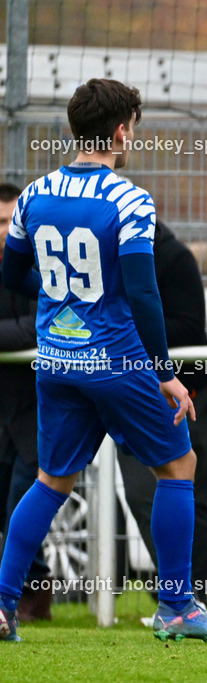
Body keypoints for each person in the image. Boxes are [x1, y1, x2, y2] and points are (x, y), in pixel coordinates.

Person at [0, 78, 207, 643]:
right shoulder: (129, 200)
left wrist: (60, 296)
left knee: (51, 480)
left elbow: (11, 273)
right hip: (115, 361)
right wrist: (165, 373)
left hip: (56, 360)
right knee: (178, 466)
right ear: (121, 131)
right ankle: (177, 607)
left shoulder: (35, 194)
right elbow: (143, 293)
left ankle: (4, 605)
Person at [116, 218, 207, 607]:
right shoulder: (109, 255)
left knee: (191, 489)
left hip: (189, 391)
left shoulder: (174, 258)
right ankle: (177, 589)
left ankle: (195, 593)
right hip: (134, 392)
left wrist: (129, 329)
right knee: (141, 493)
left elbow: (189, 326)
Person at [0, 182, 53, 624]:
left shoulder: (44, 265)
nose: (2, 230)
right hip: (4, 411)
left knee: (22, 503)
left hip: (39, 409)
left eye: (6, 221)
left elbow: (42, 324)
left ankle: (27, 597)